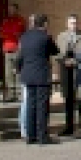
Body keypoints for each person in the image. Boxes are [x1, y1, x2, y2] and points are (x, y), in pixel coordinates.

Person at [15, 13, 59, 145]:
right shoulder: (46, 37)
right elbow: (55, 51)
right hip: (41, 76)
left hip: (28, 75)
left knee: (30, 106)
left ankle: (30, 136)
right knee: (42, 107)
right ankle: (42, 136)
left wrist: (19, 70)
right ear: (45, 24)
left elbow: (20, 57)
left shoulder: (24, 37)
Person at [56, 14, 81, 137]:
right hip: (66, 72)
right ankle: (69, 127)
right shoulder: (61, 37)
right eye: (71, 23)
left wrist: (75, 61)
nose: (73, 25)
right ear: (67, 24)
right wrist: (64, 61)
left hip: (79, 71)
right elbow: (56, 54)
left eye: (75, 22)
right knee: (68, 100)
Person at [0, 4, 25, 102]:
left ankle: (19, 94)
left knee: (18, 71)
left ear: (17, 10)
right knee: (8, 73)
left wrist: (10, 34)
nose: (11, 11)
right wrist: (11, 34)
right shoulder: (5, 21)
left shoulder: (20, 21)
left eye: (13, 9)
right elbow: (0, 33)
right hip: (7, 49)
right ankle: (10, 94)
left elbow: (19, 33)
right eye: (9, 10)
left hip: (17, 49)